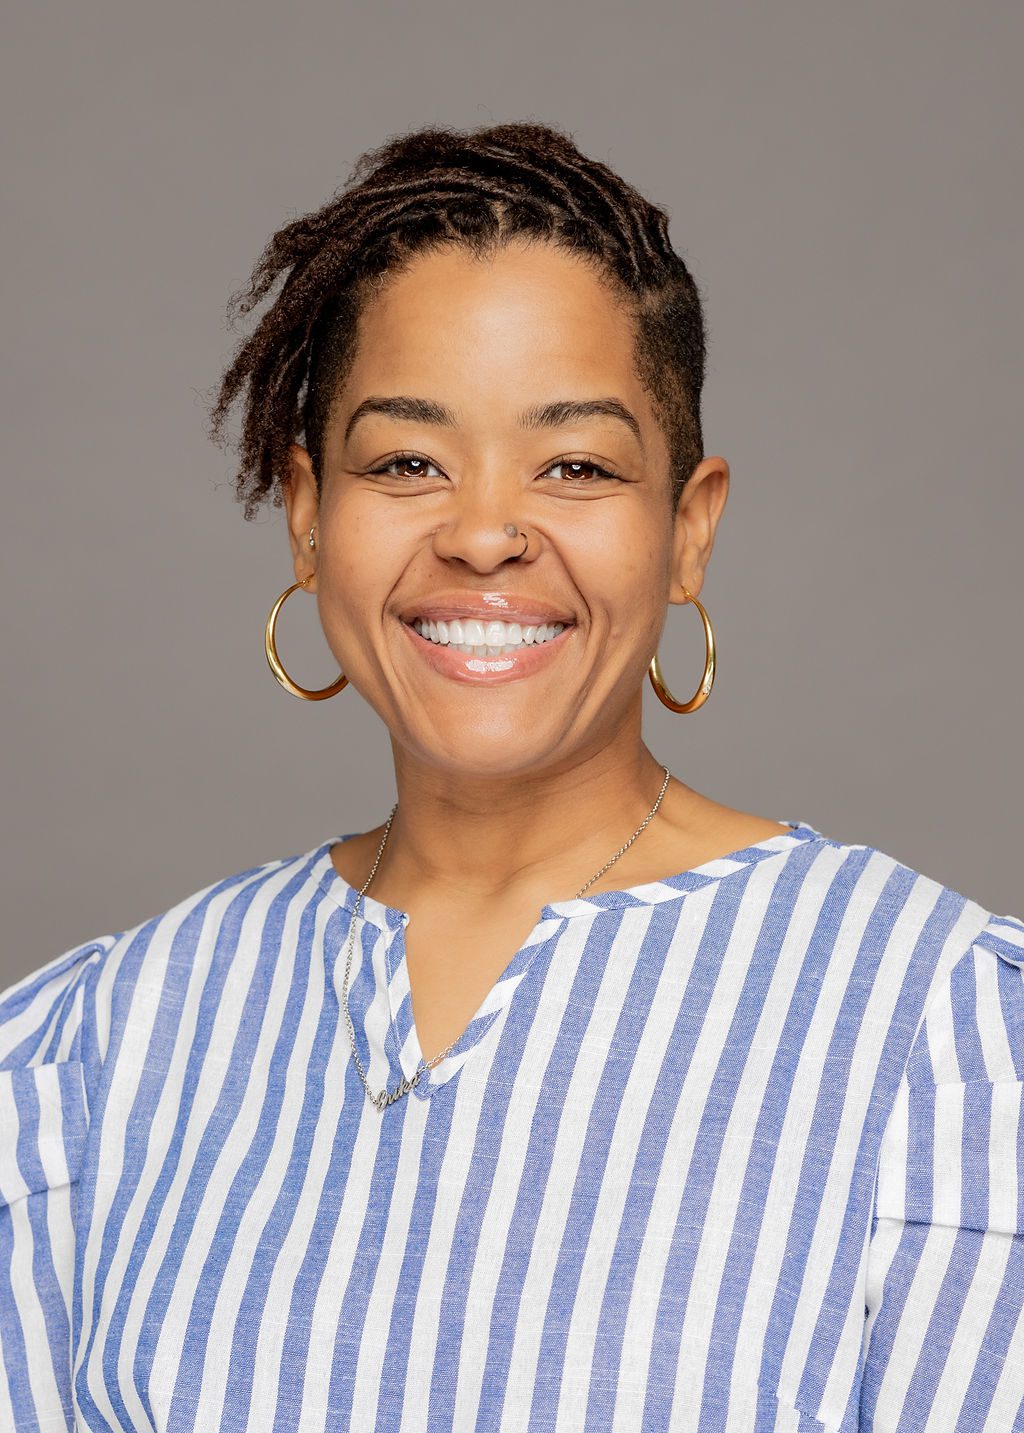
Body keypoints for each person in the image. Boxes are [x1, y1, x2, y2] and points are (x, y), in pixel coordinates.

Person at [2, 121, 1021, 1433]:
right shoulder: (96, 1054)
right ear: (310, 516)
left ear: (689, 527)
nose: (485, 532)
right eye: (407, 462)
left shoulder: (937, 1039)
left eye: (578, 466)